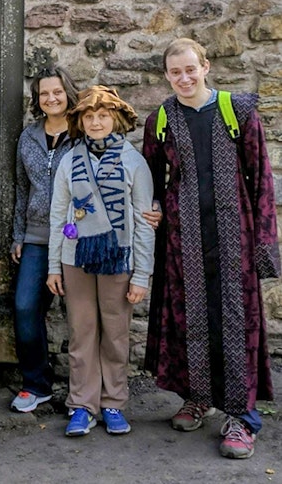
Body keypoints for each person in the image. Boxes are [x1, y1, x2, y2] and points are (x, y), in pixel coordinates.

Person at [141, 38, 279, 459]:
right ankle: (198, 398)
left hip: (234, 240)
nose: (184, 78)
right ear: (166, 75)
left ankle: (241, 417)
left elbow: (262, 181)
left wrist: (264, 245)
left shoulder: (237, 112)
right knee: (191, 320)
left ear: (206, 66)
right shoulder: (160, 119)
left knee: (237, 324)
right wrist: (154, 210)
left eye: (190, 69)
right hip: (184, 242)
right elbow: (150, 180)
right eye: (175, 72)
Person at [47, 86, 154, 438]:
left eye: (103, 116)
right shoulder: (69, 160)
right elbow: (58, 215)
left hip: (118, 260)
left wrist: (142, 274)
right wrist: (53, 265)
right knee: (81, 332)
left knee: (115, 333)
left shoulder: (133, 162)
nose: (96, 122)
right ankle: (82, 405)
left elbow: (143, 221)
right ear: (80, 121)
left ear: (116, 119)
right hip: (75, 259)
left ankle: (113, 402)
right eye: (89, 116)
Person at [9, 67, 80, 413]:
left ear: (68, 92)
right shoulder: (28, 138)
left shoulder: (84, 133)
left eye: (57, 92)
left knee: (80, 315)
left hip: (78, 238)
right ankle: (36, 383)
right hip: (37, 236)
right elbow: (22, 190)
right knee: (25, 306)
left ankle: (82, 393)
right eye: (44, 94)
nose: (51, 99)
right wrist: (18, 235)